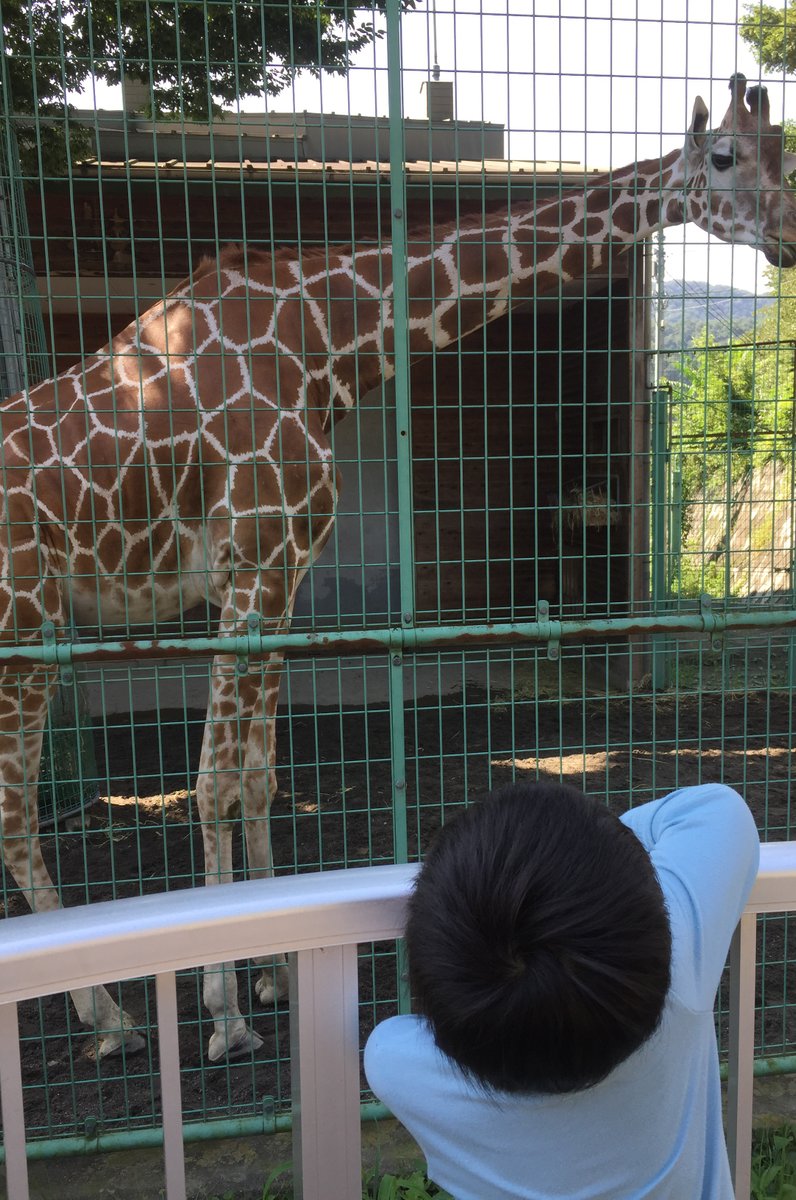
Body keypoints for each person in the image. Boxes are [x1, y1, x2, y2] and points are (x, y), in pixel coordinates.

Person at [364, 780, 760, 1200]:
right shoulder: (682, 962)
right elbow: (718, 810)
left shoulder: (398, 1070)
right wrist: (591, 871)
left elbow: (395, 1039)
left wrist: (585, 876)